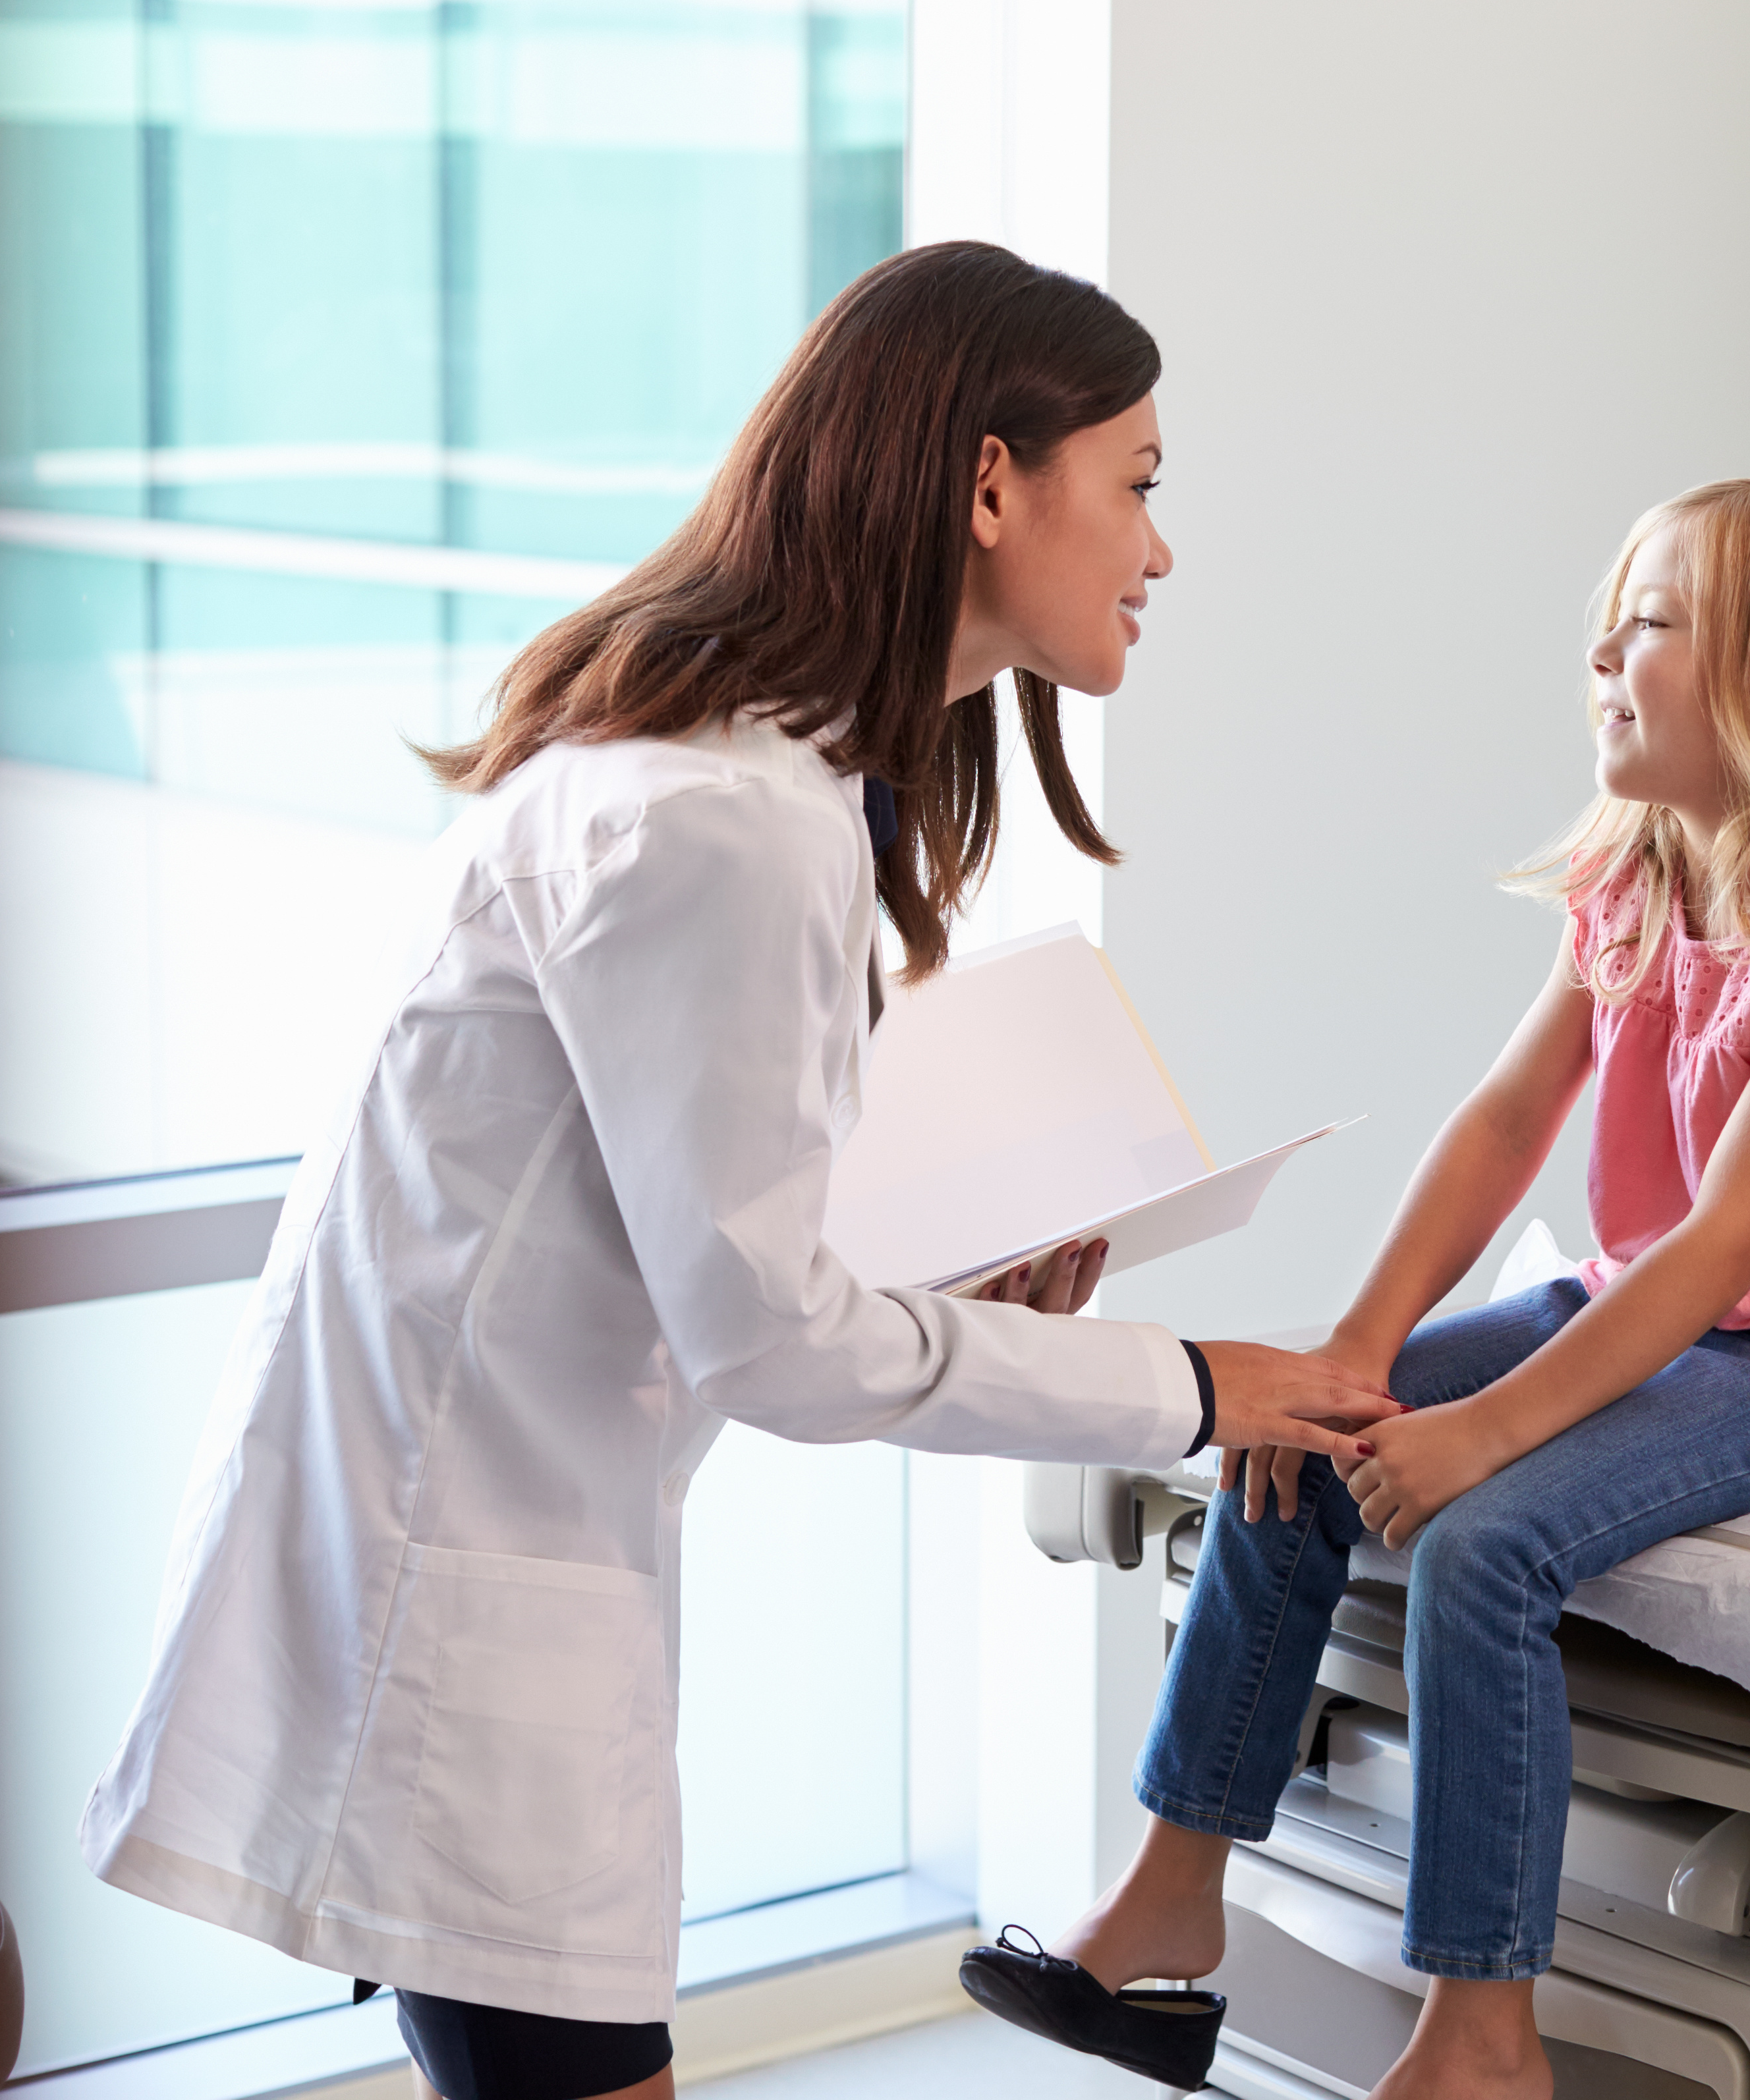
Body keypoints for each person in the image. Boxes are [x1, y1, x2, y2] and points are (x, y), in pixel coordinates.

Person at [80, 241, 1399, 2100]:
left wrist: (943, 1286)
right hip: (464, 1607)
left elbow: (686, 1213)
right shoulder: (724, 819)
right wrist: (1193, 1386)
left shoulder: (749, 774)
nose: (1163, 548)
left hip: (481, 1559)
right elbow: (768, 1341)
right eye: (1143, 485)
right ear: (993, 482)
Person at [963, 481, 1750, 2098]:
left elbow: (1728, 1245)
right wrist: (1354, 1351)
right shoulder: (1642, 879)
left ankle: (1482, 2038)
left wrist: (1491, 1434)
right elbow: (1503, 1124)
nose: (1603, 647)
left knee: (1484, 1548)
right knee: (1297, 1432)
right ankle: (1174, 1896)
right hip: (1646, 1299)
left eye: (1653, 621)